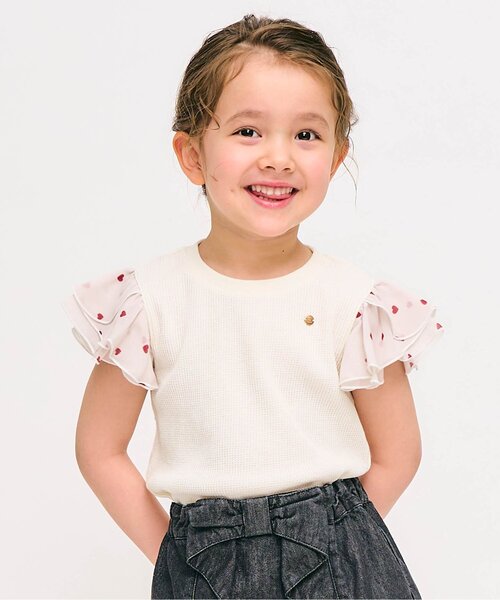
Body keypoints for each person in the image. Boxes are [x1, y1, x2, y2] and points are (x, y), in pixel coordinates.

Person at [61, 13, 445, 600]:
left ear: (336, 156)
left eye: (307, 135)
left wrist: (340, 542)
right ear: (192, 154)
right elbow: (99, 448)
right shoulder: (148, 300)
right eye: (247, 131)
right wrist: (174, 556)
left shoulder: (355, 302)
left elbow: (399, 453)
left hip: (343, 560)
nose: (278, 157)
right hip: (202, 558)